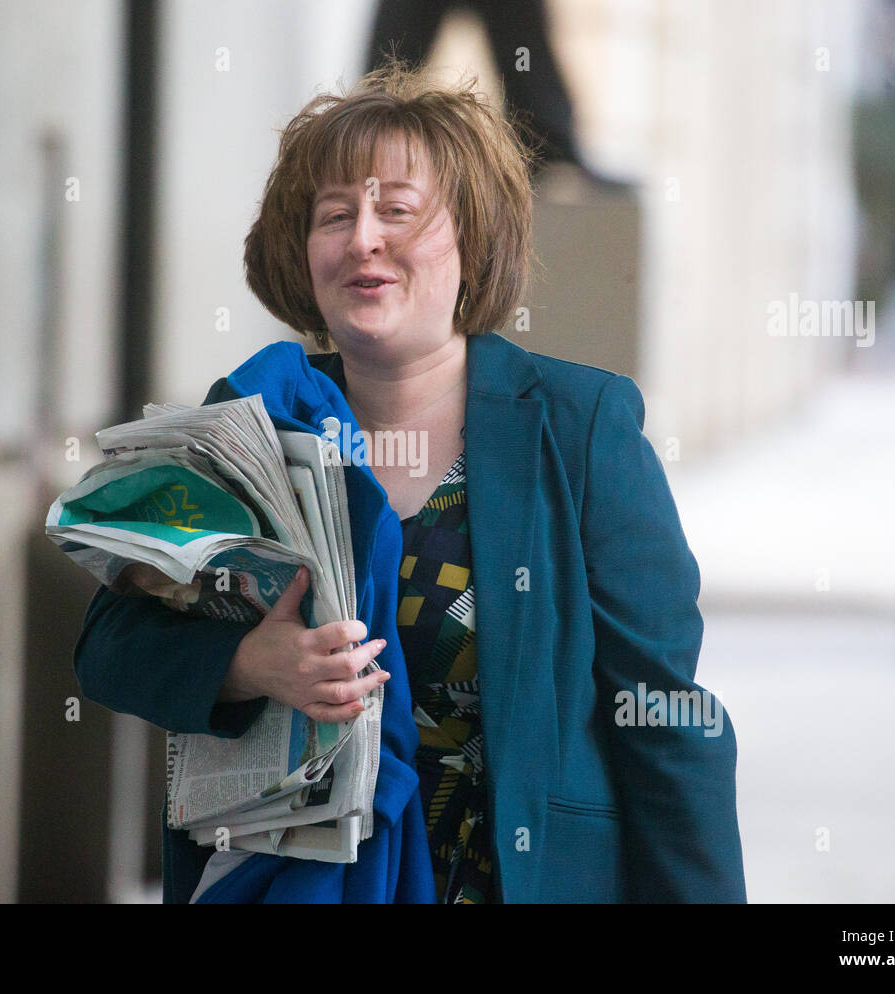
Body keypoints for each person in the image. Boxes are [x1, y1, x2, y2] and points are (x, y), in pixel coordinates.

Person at [73, 60, 746, 903]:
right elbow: (107, 647)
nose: (363, 239)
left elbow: (665, 717)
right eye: (335, 215)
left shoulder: (578, 429)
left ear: (472, 238)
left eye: (398, 209)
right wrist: (249, 662)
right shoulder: (248, 423)